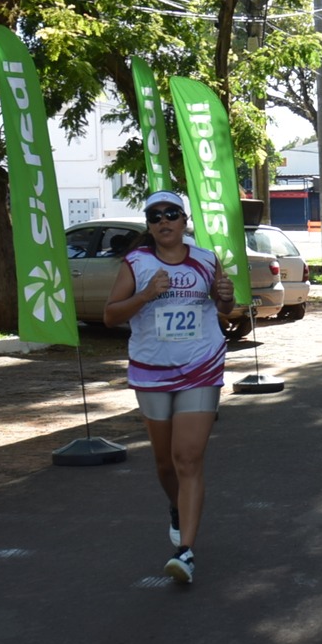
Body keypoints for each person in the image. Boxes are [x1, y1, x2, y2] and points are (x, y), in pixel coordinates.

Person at [105, 190, 236, 586]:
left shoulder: (206, 259)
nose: (163, 221)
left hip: (201, 364)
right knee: (165, 463)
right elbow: (110, 316)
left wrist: (226, 299)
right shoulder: (137, 263)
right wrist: (146, 295)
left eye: (171, 214)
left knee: (188, 458)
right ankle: (177, 508)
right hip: (152, 370)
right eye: (154, 216)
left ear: (184, 221)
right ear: (149, 225)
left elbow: (224, 308)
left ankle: (186, 552)